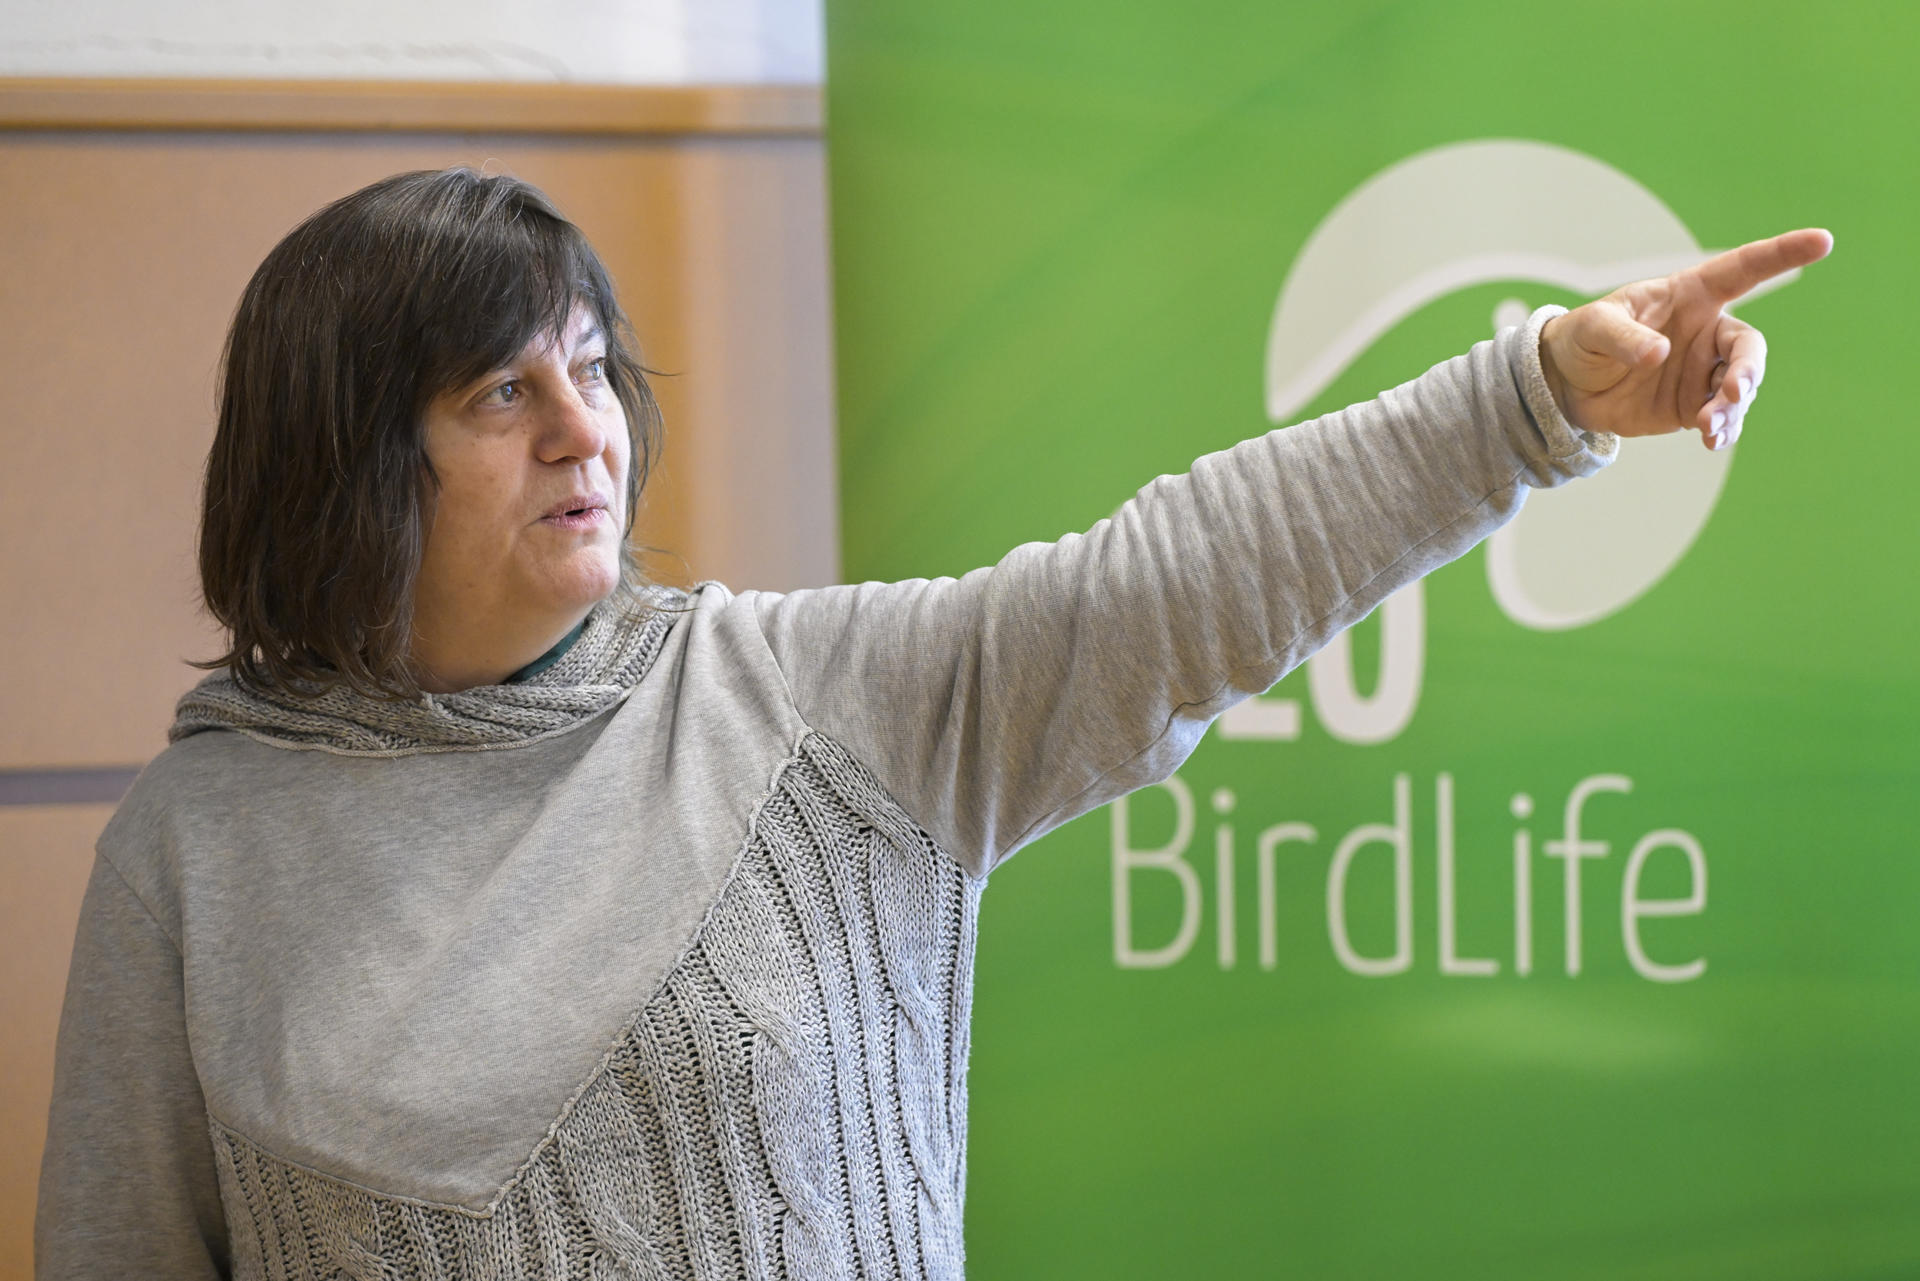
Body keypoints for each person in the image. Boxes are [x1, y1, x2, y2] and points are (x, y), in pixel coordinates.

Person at [33, 166, 1830, 1279]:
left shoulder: (811, 702)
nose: (585, 427)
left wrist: (1528, 398)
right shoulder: (197, 855)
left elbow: (1176, 581)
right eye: (504, 386)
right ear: (348, 458)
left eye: (594, 365)